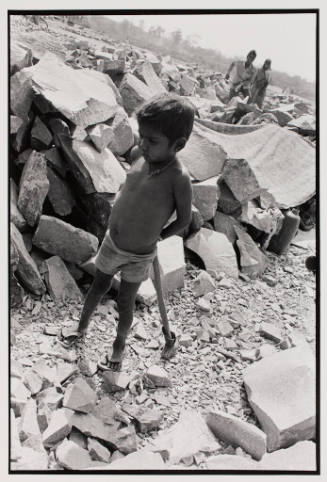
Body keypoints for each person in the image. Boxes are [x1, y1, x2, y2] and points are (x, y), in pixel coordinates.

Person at [59, 94, 195, 371]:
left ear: (178, 145)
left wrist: (159, 236)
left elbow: (185, 220)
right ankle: (81, 327)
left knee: (125, 301)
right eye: (141, 136)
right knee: (98, 286)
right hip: (112, 242)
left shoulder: (179, 178)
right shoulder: (138, 156)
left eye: (152, 141)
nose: (143, 144)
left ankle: (119, 344)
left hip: (139, 254)